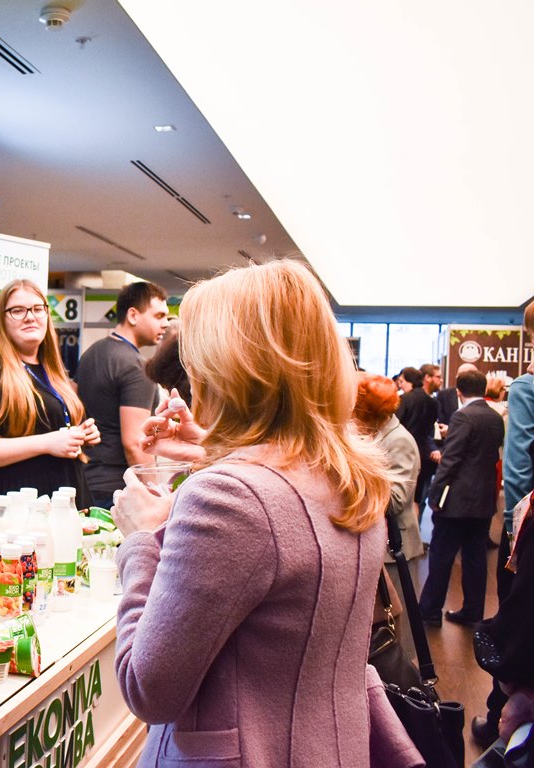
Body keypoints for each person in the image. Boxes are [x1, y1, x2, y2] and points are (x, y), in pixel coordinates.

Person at [110, 261, 409, 766]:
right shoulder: (349, 477)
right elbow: (282, 506)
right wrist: (213, 447)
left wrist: (142, 539)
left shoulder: (227, 498)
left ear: (229, 368)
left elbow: (148, 688)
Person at [0, 279, 99, 526]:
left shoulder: (53, 372)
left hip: (61, 510)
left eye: (37, 308)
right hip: (14, 520)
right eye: (18, 310)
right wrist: (48, 443)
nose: (30, 317)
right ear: (2, 320)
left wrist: (80, 434)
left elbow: (48, 429)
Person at [473, 302, 534, 746]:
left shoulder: (527, 388)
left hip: (529, 530)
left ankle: (500, 724)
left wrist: (516, 537)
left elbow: (517, 474)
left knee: (515, 626)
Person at [418, 368, 506, 627]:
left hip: (456, 500)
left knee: (441, 555)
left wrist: (435, 494)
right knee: (475, 558)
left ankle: (430, 609)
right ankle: (473, 611)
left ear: (458, 391)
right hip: (483, 499)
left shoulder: (462, 416)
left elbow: (451, 459)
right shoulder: (495, 417)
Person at [74, 281, 169, 507]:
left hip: (84, 481)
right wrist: (154, 497)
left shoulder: (91, 353)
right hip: (115, 490)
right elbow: (135, 443)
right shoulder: (137, 366)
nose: (165, 323)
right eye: (159, 316)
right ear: (133, 315)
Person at [353, 373, 423, 664]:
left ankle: (404, 686)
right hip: (385, 547)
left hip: (397, 549)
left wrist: (356, 474)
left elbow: (396, 499)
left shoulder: (399, 441)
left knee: (398, 632)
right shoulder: (379, 435)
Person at [395, 365, 439, 513]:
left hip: (403, 452)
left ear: (410, 381)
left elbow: (397, 423)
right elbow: (431, 428)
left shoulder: (404, 400)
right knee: (418, 498)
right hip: (424, 455)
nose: (400, 385)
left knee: (402, 495)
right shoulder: (433, 402)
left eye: (402, 381)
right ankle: (416, 527)